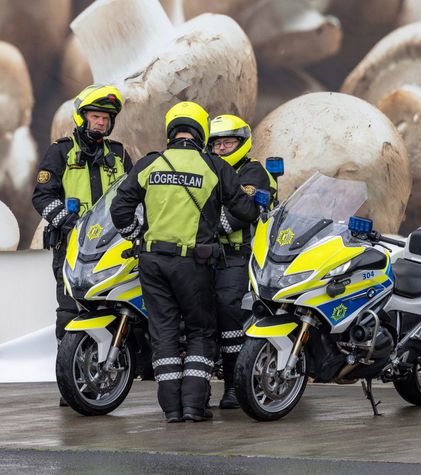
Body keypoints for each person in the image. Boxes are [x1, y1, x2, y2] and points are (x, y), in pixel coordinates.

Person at [110, 101, 260, 423]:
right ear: (201, 132)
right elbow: (247, 211)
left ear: (171, 131)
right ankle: (193, 406)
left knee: (163, 333)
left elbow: (119, 210)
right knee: (201, 332)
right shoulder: (213, 166)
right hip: (193, 264)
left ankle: (171, 411)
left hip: (151, 262)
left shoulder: (150, 163)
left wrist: (138, 235)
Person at [32, 84, 132, 404]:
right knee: (68, 311)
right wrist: (67, 221)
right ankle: (71, 382)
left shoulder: (118, 154)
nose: (101, 123)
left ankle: (108, 369)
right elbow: (41, 196)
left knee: (113, 307)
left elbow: (134, 194)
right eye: (95, 116)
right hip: (70, 245)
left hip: (111, 245)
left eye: (106, 118)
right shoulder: (60, 152)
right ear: (81, 117)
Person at [208, 114, 275, 409]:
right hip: (205, 254)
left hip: (239, 256)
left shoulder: (253, 172)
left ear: (242, 143)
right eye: (217, 143)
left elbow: (238, 214)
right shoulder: (208, 169)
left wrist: (198, 228)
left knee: (229, 314)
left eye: (227, 142)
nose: (221, 148)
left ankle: (234, 385)